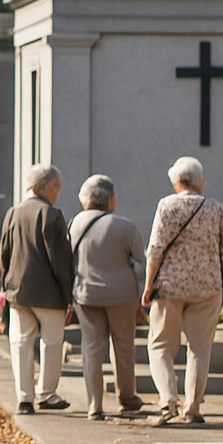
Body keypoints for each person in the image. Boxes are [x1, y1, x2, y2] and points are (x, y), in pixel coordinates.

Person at [142, 156, 223, 426]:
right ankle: (193, 408)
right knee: (200, 348)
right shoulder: (216, 208)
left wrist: (148, 285)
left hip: (169, 287)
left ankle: (167, 401)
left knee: (160, 344)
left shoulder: (166, 206)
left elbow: (155, 249)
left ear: (175, 181)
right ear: (202, 181)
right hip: (208, 288)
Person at [0, 163, 74, 414]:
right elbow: (61, 260)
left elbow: (3, 255)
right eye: (58, 188)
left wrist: (3, 286)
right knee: (51, 343)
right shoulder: (52, 215)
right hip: (49, 292)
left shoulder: (13, 212)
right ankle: (47, 393)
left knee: (20, 342)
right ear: (49, 186)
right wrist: (68, 293)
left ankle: (24, 397)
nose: (58, 193)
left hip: (18, 290)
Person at [69, 175, 147, 420]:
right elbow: (140, 259)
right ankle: (126, 398)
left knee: (91, 347)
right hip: (122, 295)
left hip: (85, 294)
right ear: (111, 198)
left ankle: (94, 405)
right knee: (123, 346)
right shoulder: (125, 226)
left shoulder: (74, 224)